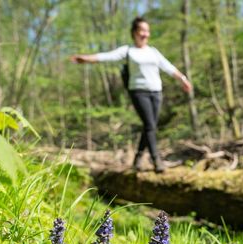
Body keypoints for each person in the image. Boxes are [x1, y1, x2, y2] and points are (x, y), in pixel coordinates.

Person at [70, 16, 192, 173]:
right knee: (150, 125)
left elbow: (168, 67)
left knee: (150, 127)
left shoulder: (153, 52)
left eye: (147, 31)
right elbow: (107, 56)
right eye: (142, 30)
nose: (145, 34)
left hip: (156, 91)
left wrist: (183, 79)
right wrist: (86, 58)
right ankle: (157, 161)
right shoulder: (128, 51)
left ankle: (138, 159)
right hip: (139, 91)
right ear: (134, 32)